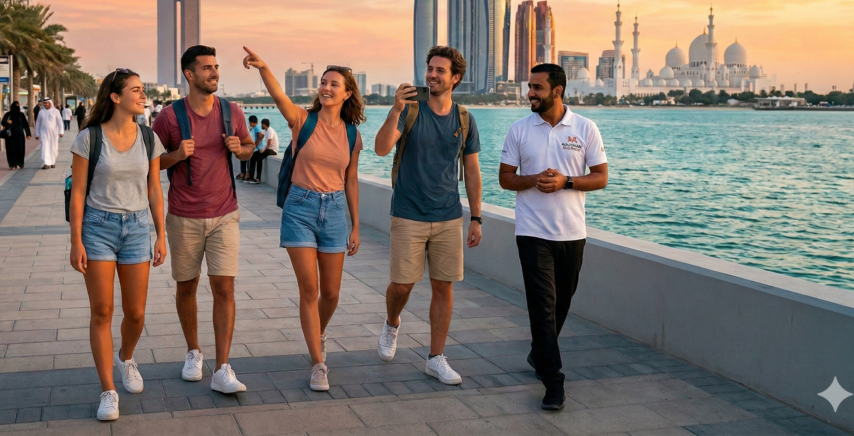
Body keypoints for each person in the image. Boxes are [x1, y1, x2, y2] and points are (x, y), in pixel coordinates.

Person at [243, 47, 363, 392]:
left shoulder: (352, 135)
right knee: (309, 290)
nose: (326, 88)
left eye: (333, 84)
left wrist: (355, 224)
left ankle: (317, 331)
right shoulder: (301, 120)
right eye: (323, 82)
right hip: (301, 207)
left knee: (332, 293)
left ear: (347, 93)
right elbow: (277, 94)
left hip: (336, 210)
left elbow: (351, 180)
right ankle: (318, 362)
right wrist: (264, 66)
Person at [499, 63, 608, 411]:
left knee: (561, 304)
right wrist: (533, 180)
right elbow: (505, 178)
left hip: (573, 234)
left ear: (558, 90)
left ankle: (539, 353)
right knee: (542, 307)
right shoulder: (519, 130)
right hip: (531, 232)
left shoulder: (586, 128)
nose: (529, 93)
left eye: (537, 88)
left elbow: (601, 177)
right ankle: (553, 380)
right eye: (529, 87)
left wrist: (567, 182)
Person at [373, 45, 482, 385]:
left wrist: (476, 217)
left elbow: (472, 170)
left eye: (440, 70)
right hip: (408, 212)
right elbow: (380, 148)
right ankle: (392, 322)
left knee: (443, 287)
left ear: (455, 78)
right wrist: (396, 109)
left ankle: (435, 358)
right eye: (429, 68)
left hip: (449, 214)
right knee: (403, 285)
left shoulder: (464, 118)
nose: (432, 75)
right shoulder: (411, 111)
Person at [152, 45, 256, 394]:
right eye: (207, 68)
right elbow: (151, 164)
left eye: (216, 66)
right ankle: (193, 351)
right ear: (189, 74)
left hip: (226, 213)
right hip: (183, 215)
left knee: (224, 287)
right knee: (187, 286)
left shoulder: (232, 111)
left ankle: (223, 366)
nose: (215, 73)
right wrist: (176, 155)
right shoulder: (168, 117)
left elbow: (249, 146)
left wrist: (239, 149)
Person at [69, 68, 168, 422]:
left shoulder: (148, 137)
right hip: (98, 228)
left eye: (143, 91)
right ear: (115, 97)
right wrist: (75, 240)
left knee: (136, 312)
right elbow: (78, 192)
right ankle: (108, 390)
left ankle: (126, 356)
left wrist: (161, 233)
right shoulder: (89, 138)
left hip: (139, 228)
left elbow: (155, 189)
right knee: (103, 311)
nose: (143, 96)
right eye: (137, 90)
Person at [35, 98, 64, 169]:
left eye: (46, 103)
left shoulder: (55, 111)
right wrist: (37, 134)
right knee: (45, 147)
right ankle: (46, 163)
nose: (45, 104)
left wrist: (61, 132)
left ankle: (52, 162)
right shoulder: (41, 112)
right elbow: (38, 123)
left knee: (53, 148)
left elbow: (59, 122)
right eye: (44, 103)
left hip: (54, 133)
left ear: (50, 103)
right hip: (44, 133)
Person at [1, 101, 32, 169]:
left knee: (20, 150)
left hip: (19, 136)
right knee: (10, 150)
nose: (16, 107)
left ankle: (20, 163)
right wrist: (7, 122)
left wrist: (28, 134)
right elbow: (3, 122)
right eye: (15, 105)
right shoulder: (8, 114)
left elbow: (25, 125)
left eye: (18, 105)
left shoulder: (21, 115)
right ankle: (12, 165)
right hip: (10, 136)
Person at [248, 118, 279, 184]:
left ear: (264, 124)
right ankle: (251, 177)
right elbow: (261, 137)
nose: (261, 126)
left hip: (272, 150)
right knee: (254, 156)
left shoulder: (270, 130)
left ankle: (258, 178)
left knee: (259, 158)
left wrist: (264, 149)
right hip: (268, 148)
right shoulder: (266, 131)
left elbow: (269, 143)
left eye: (261, 124)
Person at [237, 115, 259, 181]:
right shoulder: (251, 128)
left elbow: (260, 136)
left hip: (251, 147)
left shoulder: (256, 127)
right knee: (243, 159)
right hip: (246, 146)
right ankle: (243, 173)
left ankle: (247, 174)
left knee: (247, 161)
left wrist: (255, 145)